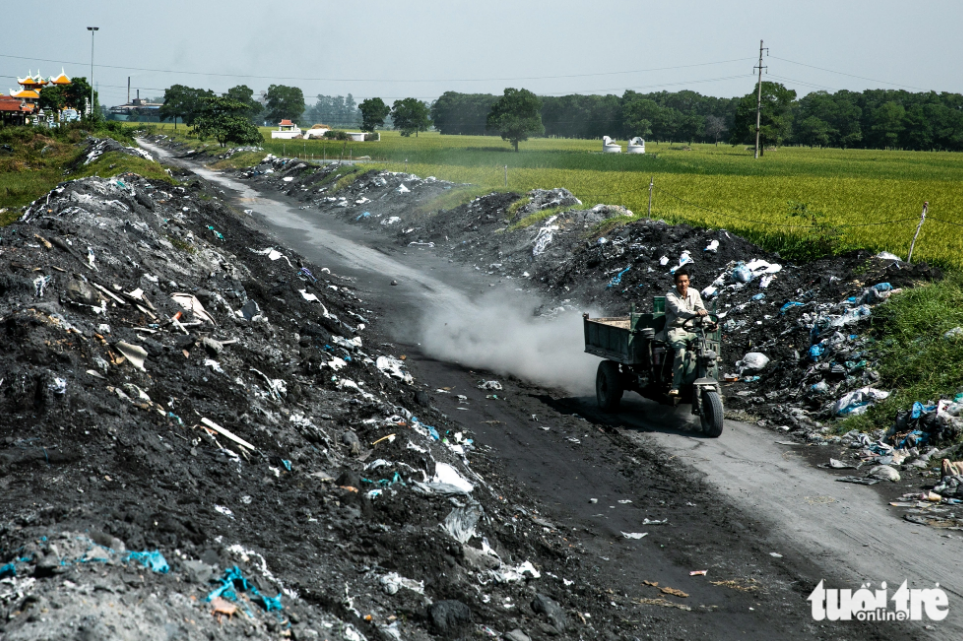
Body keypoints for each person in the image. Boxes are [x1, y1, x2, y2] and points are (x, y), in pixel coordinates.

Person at [665, 268, 708, 396]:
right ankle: (676, 385)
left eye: (685, 281)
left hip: (692, 329)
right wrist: (696, 313)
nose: (683, 284)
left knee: (705, 350)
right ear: (675, 282)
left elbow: (702, 310)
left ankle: (704, 379)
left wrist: (709, 322)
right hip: (675, 329)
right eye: (680, 282)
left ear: (689, 281)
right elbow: (680, 311)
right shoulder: (670, 296)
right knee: (681, 352)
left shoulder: (694, 293)